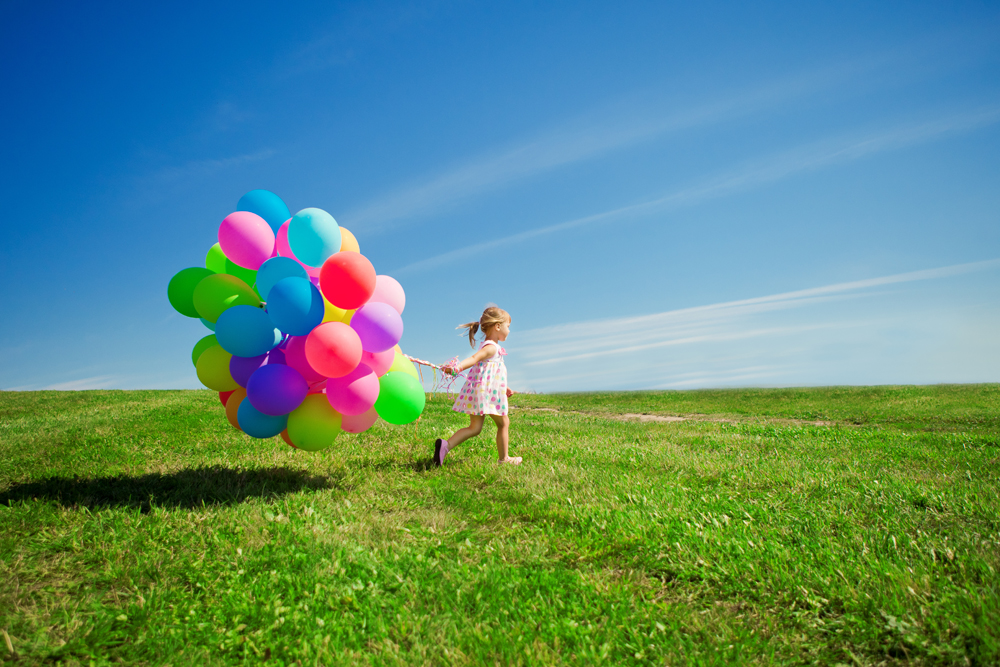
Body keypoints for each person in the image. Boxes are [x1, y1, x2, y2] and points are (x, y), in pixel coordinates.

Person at [434, 306, 520, 466]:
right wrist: (457, 368)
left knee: (474, 428)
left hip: (480, 392)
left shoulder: (490, 346)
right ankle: (504, 459)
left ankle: (445, 446)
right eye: (508, 326)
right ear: (498, 326)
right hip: (488, 394)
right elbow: (473, 359)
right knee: (504, 423)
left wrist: (505, 387)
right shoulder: (491, 347)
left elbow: (493, 371)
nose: (509, 330)